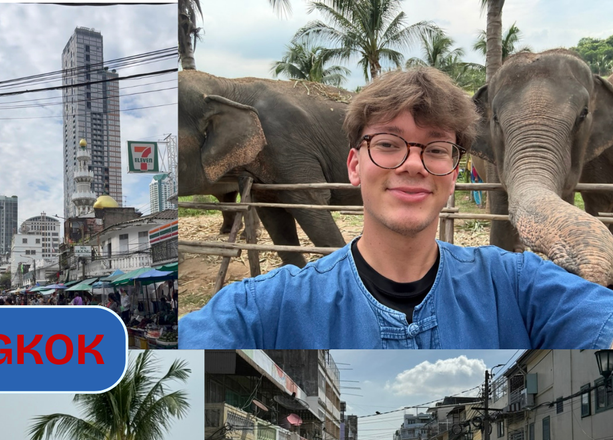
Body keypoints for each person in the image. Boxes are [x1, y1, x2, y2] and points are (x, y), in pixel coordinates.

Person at [179, 66, 613, 349]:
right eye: (387, 144)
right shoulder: (263, 306)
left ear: (455, 172)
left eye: (436, 150)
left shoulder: (519, 287)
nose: (412, 165)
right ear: (354, 164)